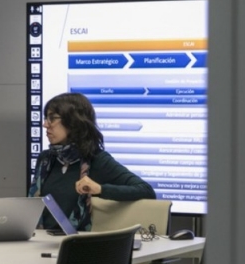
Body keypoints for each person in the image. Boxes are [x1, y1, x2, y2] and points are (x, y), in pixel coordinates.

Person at [29, 92, 155, 231]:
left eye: (52, 118)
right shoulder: (46, 159)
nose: (45, 124)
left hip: (77, 245)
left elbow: (146, 190)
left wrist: (100, 189)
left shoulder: (97, 160)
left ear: (73, 121)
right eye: (46, 118)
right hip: (39, 241)